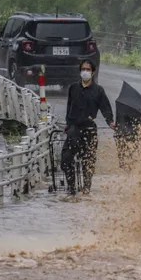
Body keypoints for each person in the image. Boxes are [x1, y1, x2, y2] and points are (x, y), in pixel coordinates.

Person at [61, 60, 115, 195]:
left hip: (89, 129)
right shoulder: (73, 88)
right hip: (74, 128)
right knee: (66, 159)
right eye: (83, 69)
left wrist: (110, 121)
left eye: (88, 69)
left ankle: (86, 188)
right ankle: (71, 187)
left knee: (88, 160)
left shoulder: (98, 90)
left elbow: (105, 108)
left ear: (93, 72)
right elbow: (69, 106)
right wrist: (68, 123)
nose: (85, 72)